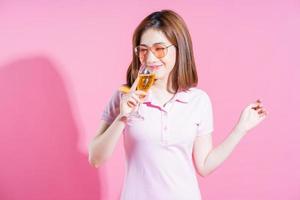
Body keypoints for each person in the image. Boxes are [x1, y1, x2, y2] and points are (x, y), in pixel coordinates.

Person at [88, 9, 267, 200]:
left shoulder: (198, 101)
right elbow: (96, 159)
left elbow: (204, 165)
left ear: (179, 49)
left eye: (159, 49)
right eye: (143, 50)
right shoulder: (123, 96)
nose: (150, 59)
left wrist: (241, 129)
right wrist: (123, 117)